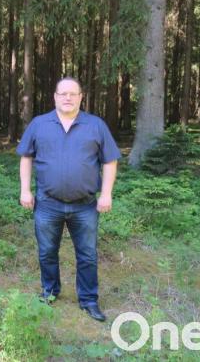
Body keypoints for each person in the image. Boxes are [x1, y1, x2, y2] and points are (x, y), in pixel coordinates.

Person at [16, 77, 120, 322]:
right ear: (55, 96)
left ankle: (88, 300)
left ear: (81, 97)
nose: (68, 98)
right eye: (63, 93)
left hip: (85, 205)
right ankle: (50, 292)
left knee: (87, 255)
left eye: (73, 94)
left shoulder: (96, 125)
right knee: (47, 252)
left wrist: (106, 194)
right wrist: (25, 190)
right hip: (47, 204)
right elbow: (26, 158)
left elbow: (110, 160)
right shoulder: (39, 124)